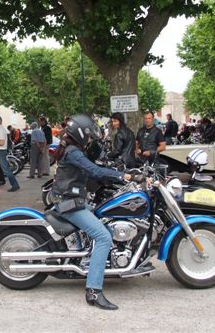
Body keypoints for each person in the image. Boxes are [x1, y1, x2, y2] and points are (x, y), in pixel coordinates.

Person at [52, 114, 136, 310]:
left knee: (107, 217)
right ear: (80, 133)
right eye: (88, 136)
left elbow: (94, 166)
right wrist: (125, 176)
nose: (90, 140)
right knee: (104, 237)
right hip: (68, 203)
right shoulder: (73, 152)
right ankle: (93, 291)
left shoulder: (72, 150)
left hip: (73, 199)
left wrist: (113, 169)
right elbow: (94, 171)